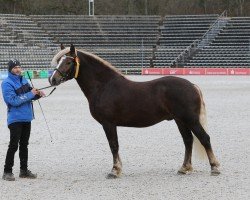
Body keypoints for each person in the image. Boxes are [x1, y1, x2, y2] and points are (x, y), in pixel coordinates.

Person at [1, 59, 45, 181]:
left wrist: (37, 94)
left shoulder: (23, 80)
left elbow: (29, 95)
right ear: (10, 69)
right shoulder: (6, 83)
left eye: (19, 67)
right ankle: (7, 171)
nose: (18, 69)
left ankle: (23, 171)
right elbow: (13, 101)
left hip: (27, 117)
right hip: (15, 119)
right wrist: (31, 94)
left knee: (24, 145)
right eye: (15, 67)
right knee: (13, 145)